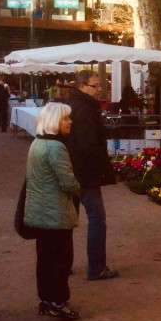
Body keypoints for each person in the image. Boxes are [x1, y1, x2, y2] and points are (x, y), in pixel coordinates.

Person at [24, 103, 81, 320]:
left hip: (40, 212)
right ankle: (59, 301)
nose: (70, 122)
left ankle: (46, 299)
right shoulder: (56, 147)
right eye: (66, 118)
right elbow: (68, 182)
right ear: (54, 121)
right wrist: (78, 186)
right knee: (61, 260)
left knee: (45, 259)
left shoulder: (37, 143)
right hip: (56, 213)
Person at [66, 70, 119, 281]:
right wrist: (102, 169)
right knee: (97, 219)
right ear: (82, 86)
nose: (98, 90)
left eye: (99, 86)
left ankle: (63, 264)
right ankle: (96, 267)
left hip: (71, 171)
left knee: (67, 221)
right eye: (94, 86)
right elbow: (88, 145)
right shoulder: (86, 109)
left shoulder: (72, 105)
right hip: (85, 174)